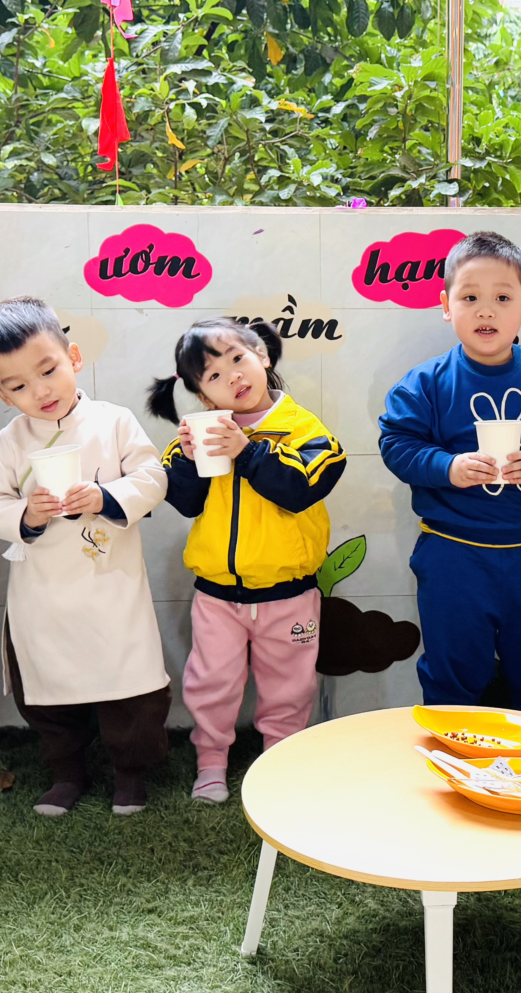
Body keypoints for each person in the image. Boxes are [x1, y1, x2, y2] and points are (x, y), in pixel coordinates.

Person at [379, 231, 521, 719]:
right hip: (452, 556)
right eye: (470, 298)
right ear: (446, 306)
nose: (486, 311)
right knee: (450, 674)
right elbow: (396, 444)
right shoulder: (424, 384)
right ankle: (450, 756)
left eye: (502, 298)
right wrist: (448, 467)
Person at [0, 297, 170, 818]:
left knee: (131, 687)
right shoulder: (11, 441)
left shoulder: (115, 421)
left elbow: (153, 478)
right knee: (50, 693)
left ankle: (131, 773)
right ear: (1, 394)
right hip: (44, 594)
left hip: (112, 587)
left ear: (73, 357)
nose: (40, 391)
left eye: (48, 370)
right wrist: (26, 514)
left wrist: (105, 497)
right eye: (17, 386)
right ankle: (67, 773)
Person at [150, 318, 345, 806]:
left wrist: (247, 451)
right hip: (217, 596)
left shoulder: (302, 428)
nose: (233, 376)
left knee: (290, 687)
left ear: (263, 356)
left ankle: (280, 762)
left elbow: (302, 489)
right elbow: (185, 502)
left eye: (238, 358)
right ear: (203, 396)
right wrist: (189, 460)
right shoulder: (202, 434)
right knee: (211, 682)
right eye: (214, 375)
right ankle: (211, 762)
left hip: (290, 595)